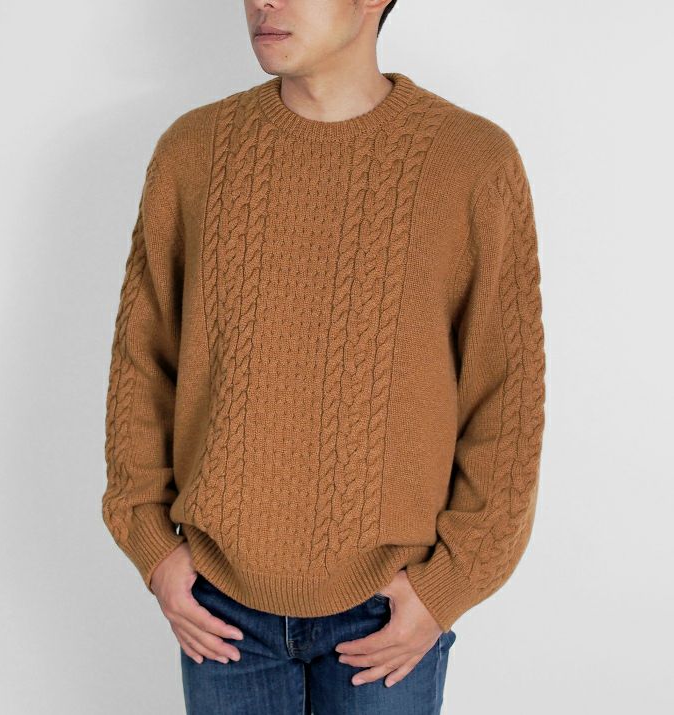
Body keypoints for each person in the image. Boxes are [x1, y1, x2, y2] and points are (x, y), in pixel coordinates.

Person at [101, 1, 546, 712]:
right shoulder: (193, 151)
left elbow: (506, 394)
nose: (263, 2)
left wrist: (448, 584)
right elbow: (142, 361)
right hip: (220, 605)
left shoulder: (472, 162)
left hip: (388, 609)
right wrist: (152, 546)